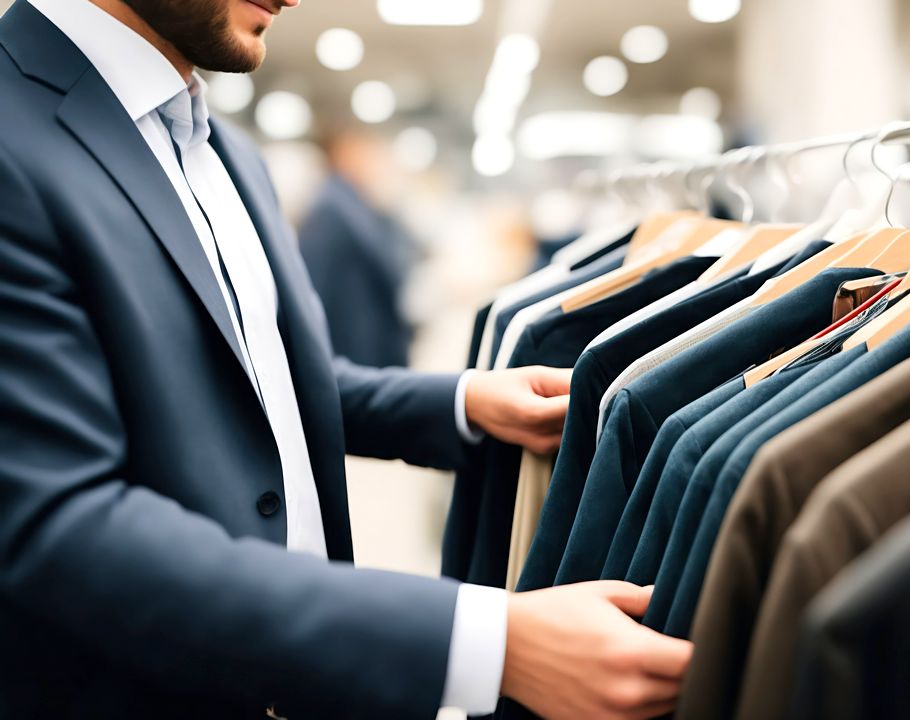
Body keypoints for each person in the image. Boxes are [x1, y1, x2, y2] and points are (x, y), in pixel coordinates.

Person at [0, 1, 693, 718]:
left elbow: (261, 377)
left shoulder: (223, 149)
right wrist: (488, 645)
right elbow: (56, 523)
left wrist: (461, 402)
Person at [299, 125, 418, 368]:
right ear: (345, 153)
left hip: (363, 346)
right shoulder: (331, 209)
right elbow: (313, 286)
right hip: (351, 349)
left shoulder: (353, 205)